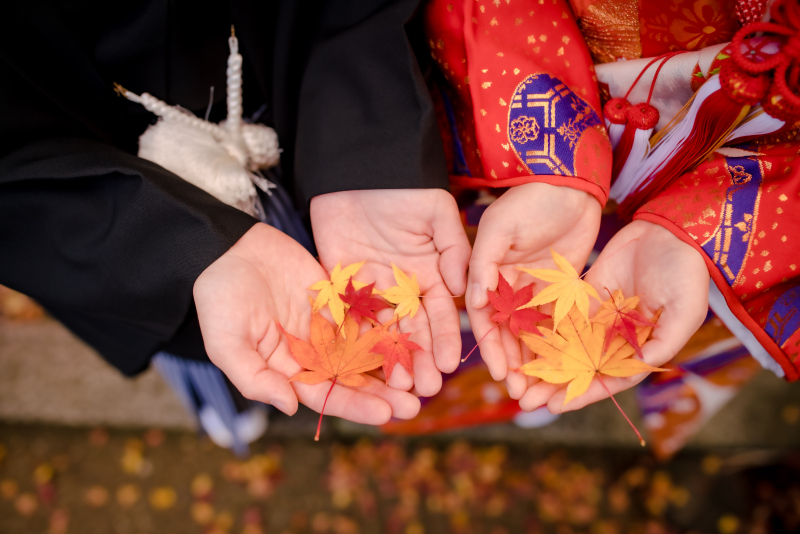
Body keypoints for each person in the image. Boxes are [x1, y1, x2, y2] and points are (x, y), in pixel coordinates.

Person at [0, 0, 472, 448]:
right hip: (115, 223)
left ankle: (248, 394)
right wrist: (186, 247)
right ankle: (226, 402)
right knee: (219, 334)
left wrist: (366, 157)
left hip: (299, 127)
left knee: (298, 313)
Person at [425, 0, 800, 416]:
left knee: (650, 327)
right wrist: (555, 159)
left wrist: (702, 224)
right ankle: (492, 398)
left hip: (740, 215)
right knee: (483, 309)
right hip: (545, 148)